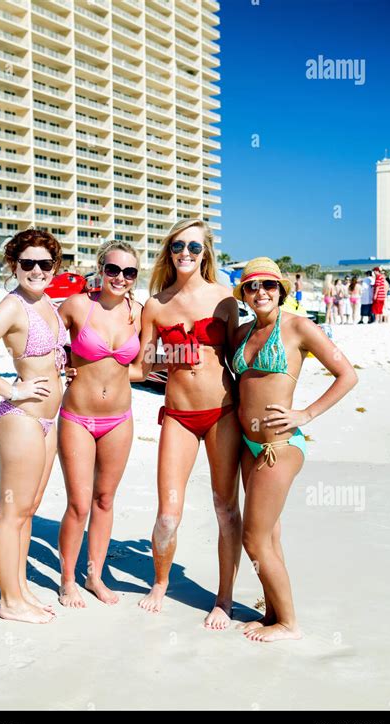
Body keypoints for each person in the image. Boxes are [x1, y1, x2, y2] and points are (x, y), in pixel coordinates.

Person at [231, 258, 357, 642]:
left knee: (253, 538)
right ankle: (272, 613)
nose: (261, 292)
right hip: (249, 446)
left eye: (269, 285)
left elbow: (347, 375)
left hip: (280, 446)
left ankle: (289, 623)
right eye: (252, 287)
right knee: (268, 536)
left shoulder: (299, 327)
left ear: (281, 290)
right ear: (245, 294)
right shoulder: (241, 333)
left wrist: (306, 413)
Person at [129, 219, 242, 630]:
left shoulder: (225, 298)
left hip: (222, 414)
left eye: (194, 247)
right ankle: (160, 583)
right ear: (169, 250)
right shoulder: (156, 305)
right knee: (167, 517)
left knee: (226, 509)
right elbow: (142, 367)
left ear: (206, 252)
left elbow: (241, 356)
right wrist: (89, 374)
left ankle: (224, 598)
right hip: (177, 416)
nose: (186, 253)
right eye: (178, 245)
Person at [0, 229, 67, 624]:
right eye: (27, 264)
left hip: (49, 418)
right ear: (13, 265)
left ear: (55, 267)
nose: (36, 271)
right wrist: (11, 389)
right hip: (21, 418)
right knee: (12, 512)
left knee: (29, 509)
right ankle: (9, 600)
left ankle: (19, 588)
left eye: (45, 264)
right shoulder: (11, 307)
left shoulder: (48, 304)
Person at [57, 241, 142, 608]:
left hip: (119, 419)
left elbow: (148, 363)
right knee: (79, 504)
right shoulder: (78, 305)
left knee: (105, 500)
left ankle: (94, 576)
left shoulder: (138, 312)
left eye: (129, 272)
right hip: (77, 417)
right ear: (100, 268)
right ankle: (66, 581)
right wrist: (61, 365)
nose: (120, 278)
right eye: (113, 269)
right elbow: (45, 341)